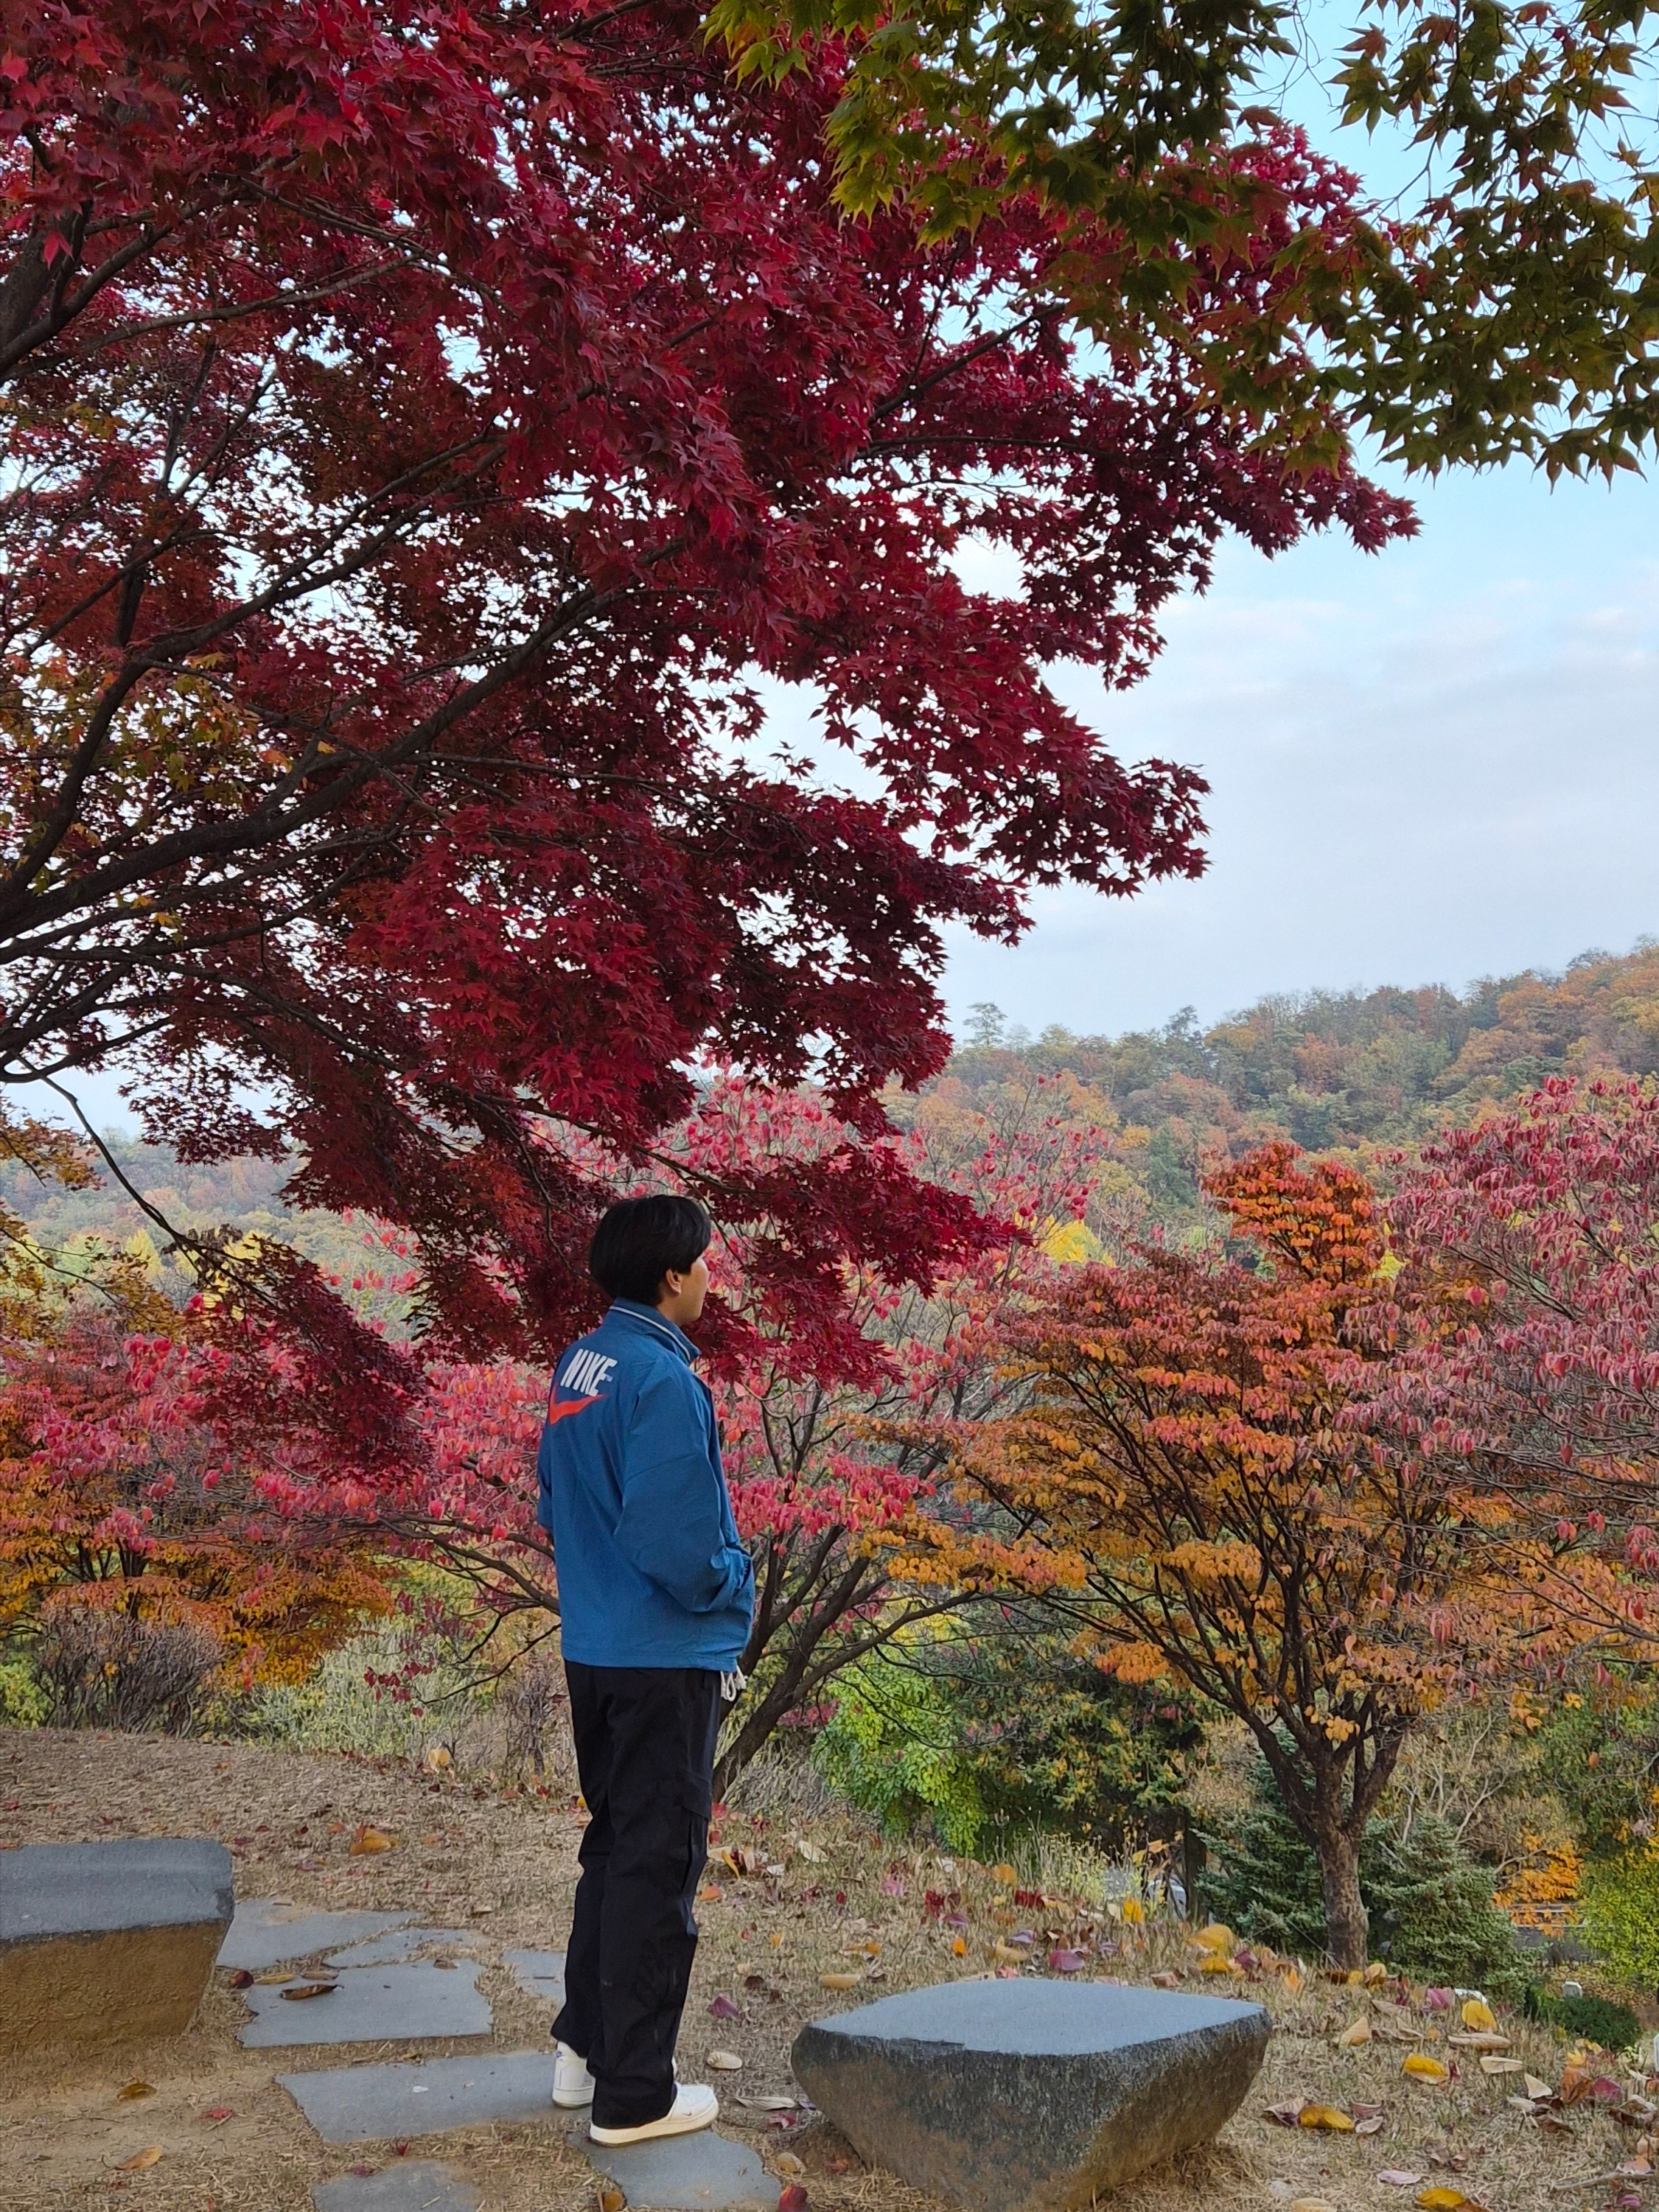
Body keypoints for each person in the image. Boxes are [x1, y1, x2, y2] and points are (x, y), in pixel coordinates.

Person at [537, 1193, 755, 2145]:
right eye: (702, 1262)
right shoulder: (664, 1380)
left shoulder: (582, 1362)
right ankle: (636, 2094)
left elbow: (554, 1501)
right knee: (658, 1864)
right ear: (671, 1276)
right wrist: (736, 1579)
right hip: (661, 1656)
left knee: (616, 1847)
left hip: (594, 1644)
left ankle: (584, 2053)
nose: (710, 1276)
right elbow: (680, 1546)